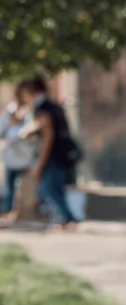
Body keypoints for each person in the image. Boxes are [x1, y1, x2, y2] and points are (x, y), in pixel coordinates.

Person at [23, 75, 83, 230]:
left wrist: (41, 163)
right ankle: (65, 219)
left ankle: (68, 219)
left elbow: (48, 135)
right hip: (62, 153)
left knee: (51, 188)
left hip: (54, 155)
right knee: (55, 188)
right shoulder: (53, 105)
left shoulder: (43, 108)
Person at [0, 83, 35, 216]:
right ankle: (9, 211)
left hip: (26, 157)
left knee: (24, 188)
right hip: (11, 157)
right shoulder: (9, 111)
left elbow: (30, 131)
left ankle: (23, 212)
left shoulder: (30, 112)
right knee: (10, 188)